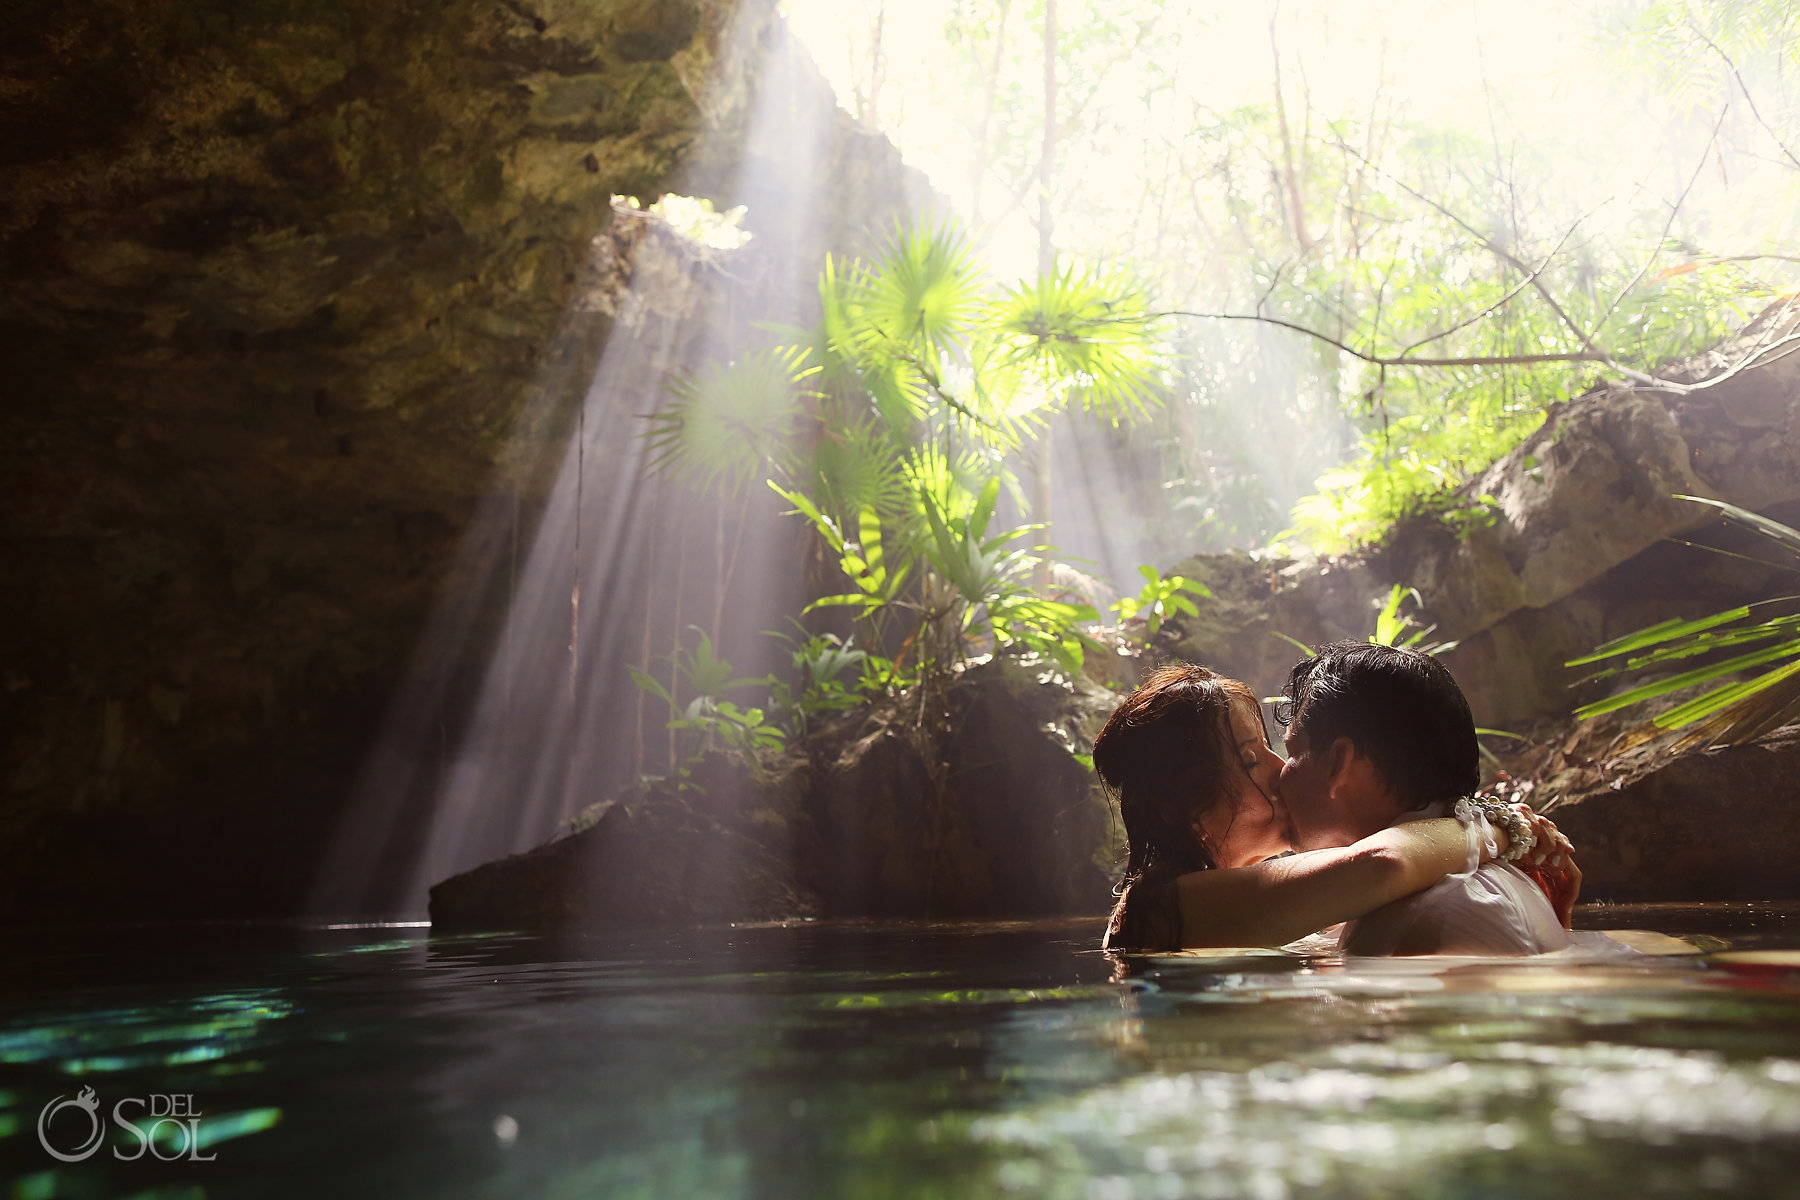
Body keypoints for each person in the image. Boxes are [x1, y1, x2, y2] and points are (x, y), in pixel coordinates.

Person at [1092, 662, 1570, 952]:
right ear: (1184, 805)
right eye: (1250, 758)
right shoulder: (1153, 909)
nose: (1280, 769)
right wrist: (1495, 826)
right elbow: (1383, 862)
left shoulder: (1313, 898)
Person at [1276, 642, 1579, 955]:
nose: (1276, 775)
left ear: (1339, 763)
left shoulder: (1433, 921)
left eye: (1292, 753)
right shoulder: (1454, 891)